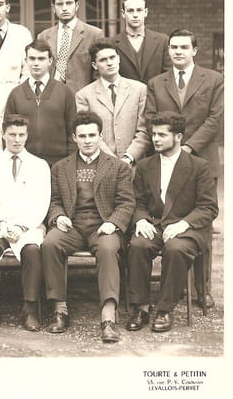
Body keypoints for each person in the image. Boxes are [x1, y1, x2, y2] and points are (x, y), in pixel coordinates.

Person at [41, 111, 134, 343]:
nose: (88, 140)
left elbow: (126, 202)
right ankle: (59, 309)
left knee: (108, 249)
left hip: (103, 225)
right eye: (82, 136)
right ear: (74, 138)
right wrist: (58, 216)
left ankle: (108, 317)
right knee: (50, 243)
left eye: (92, 135)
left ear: (101, 136)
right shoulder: (60, 168)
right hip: (72, 226)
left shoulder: (118, 167)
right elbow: (54, 201)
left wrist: (113, 222)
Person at [145, 28, 223, 306]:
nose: (178, 51)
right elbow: (151, 118)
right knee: (170, 219)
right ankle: (175, 285)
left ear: (194, 50)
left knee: (201, 225)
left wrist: (186, 149)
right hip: (166, 162)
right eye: (173, 47)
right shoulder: (157, 83)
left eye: (183, 47)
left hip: (201, 161)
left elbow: (215, 119)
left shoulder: (213, 79)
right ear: (168, 51)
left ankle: (203, 289)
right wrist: (171, 149)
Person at [126, 112, 218, 333]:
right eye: (153, 134)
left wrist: (183, 224)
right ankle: (141, 307)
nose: (155, 139)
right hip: (156, 225)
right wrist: (141, 220)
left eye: (162, 135)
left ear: (178, 137)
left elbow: (208, 207)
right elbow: (137, 202)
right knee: (138, 245)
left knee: (175, 249)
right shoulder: (145, 166)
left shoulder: (199, 166)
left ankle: (165, 309)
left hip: (188, 229)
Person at [0, 114, 50, 331]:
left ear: (27, 135)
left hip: (27, 225)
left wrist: (21, 226)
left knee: (32, 251)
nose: (17, 140)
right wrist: (1, 224)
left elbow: (42, 202)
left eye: (21, 135)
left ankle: (30, 308)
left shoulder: (40, 165)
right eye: (12, 134)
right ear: (3, 135)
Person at [75, 40, 150, 165]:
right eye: (103, 60)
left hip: (134, 163)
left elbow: (144, 129)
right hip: (101, 164)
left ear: (118, 59)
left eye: (112, 57)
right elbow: (87, 133)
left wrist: (128, 157)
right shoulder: (84, 95)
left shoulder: (139, 89)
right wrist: (112, 161)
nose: (109, 63)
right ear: (94, 65)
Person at [4, 40, 77, 167]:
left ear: (50, 61)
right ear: (26, 61)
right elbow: (7, 130)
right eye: (32, 58)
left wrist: (70, 162)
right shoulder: (16, 94)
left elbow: (73, 130)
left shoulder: (65, 92)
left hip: (58, 163)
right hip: (25, 163)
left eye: (41, 59)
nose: (36, 63)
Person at [36, 0, 103, 94]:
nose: (64, 8)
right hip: (51, 97)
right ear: (53, 8)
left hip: (81, 97)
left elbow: (99, 74)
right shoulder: (43, 36)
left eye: (69, 3)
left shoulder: (94, 35)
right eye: (59, 4)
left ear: (77, 5)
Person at [112, 0, 170, 84]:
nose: (135, 15)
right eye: (130, 11)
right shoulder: (112, 43)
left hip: (155, 92)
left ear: (145, 12)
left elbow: (168, 76)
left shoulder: (163, 41)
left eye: (139, 10)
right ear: (123, 13)